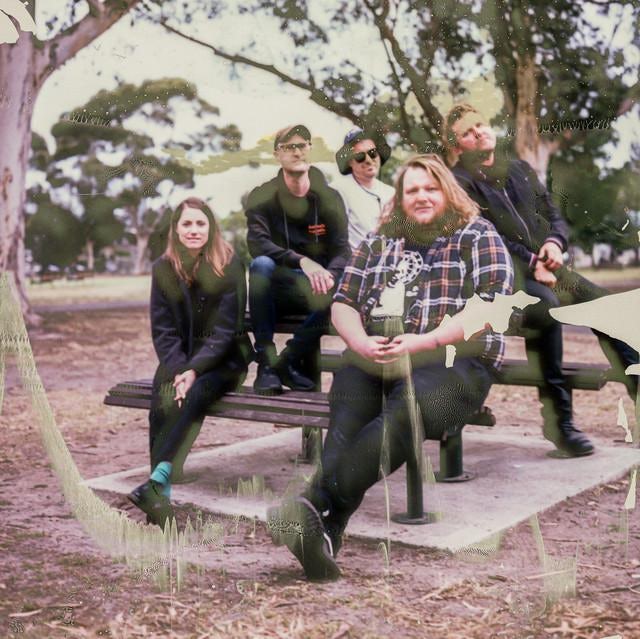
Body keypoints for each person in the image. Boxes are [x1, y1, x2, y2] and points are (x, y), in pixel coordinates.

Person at [267, 154, 514, 580]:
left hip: (454, 363)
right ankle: (323, 533)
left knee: (408, 407)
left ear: (447, 192)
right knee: (347, 408)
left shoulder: (477, 235)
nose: (421, 196)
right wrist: (361, 342)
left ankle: (315, 506)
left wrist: (427, 341)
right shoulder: (381, 241)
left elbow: (491, 305)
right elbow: (344, 302)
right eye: (411, 189)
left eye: (430, 188)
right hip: (377, 356)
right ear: (399, 198)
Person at [443, 103, 638, 457]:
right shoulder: (458, 182)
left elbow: (553, 214)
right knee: (546, 308)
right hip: (499, 275)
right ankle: (560, 425)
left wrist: (554, 244)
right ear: (457, 145)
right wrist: (533, 262)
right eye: (468, 132)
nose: (479, 132)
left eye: (481, 124)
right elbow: (487, 237)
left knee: (602, 303)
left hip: (546, 265)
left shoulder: (519, 168)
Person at [128, 197, 249, 527]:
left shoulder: (230, 264)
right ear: (176, 229)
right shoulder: (162, 268)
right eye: (187, 224)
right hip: (178, 357)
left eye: (200, 223)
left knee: (194, 394)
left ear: (210, 228)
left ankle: (158, 480)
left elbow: (226, 330)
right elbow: (163, 328)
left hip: (224, 359)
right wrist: (181, 369)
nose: (193, 230)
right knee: (162, 396)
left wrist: (194, 370)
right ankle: (160, 495)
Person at [245, 124, 350, 395]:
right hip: (277, 287)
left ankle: (287, 360)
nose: (296, 152)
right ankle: (266, 364)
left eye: (302, 145)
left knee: (341, 284)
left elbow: (342, 250)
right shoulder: (261, 195)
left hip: (317, 292)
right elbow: (257, 244)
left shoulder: (329, 197)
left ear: (310, 150)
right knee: (261, 266)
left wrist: (328, 274)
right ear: (276, 154)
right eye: (288, 147)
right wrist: (302, 261)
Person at [334, 126, 395, 248]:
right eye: (360, 157)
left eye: (372, 153)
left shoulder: (391, 193)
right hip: (355, 262)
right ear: (350, 162)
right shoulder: (338, 190)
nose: (368, 160)